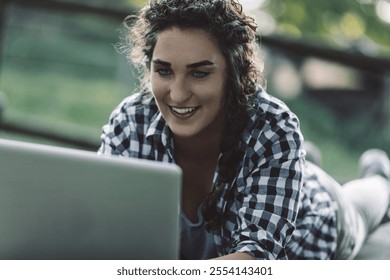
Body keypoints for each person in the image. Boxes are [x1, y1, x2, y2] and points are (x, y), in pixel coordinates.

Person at [98, 0, 390, 260]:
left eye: (199, 73)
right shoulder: (131, 121)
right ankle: (302, 163)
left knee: (364, 205)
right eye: (163, 71)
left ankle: (379, 175)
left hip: (318, 224)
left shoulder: (274, 127)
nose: (177, 94)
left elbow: (253, 259)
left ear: (234, 74)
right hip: (272, 178)